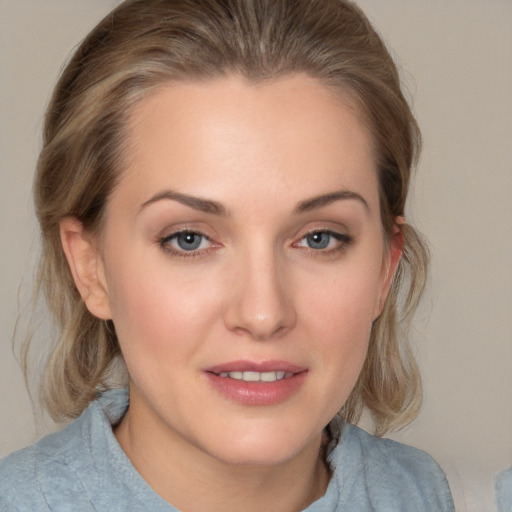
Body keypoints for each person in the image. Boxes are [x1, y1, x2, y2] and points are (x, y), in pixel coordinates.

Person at [0, 0, 455, 510]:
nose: (263, 314)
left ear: (384, 268)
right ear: (91, 267)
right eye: (188, 239)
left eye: (319, 238)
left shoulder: (420, 493)